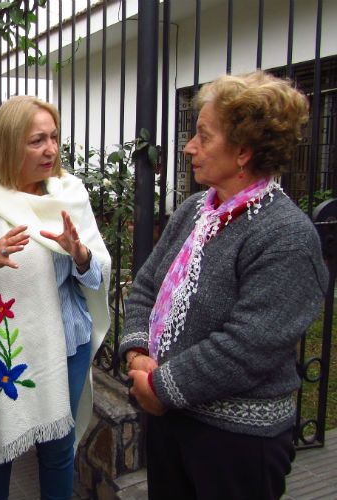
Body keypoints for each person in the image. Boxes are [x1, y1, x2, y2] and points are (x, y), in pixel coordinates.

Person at [119, 71, 329, 500]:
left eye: (203, 136)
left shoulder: (286, 235)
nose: (189, 147)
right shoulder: (196, 209)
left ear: (244, 152)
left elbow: (249, 344)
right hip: (170, 422)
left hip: (237, 441)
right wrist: (139, 354)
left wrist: (161, 387)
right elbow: (145, 287)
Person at [0, 95, 112, 500]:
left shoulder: (69, 194)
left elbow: (98, 277)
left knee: (58, 451)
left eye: (54, 138)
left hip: (67, 344)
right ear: (9, 143)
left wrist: (80, 255)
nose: (50, 150)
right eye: (36, 140)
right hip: (4, 352)